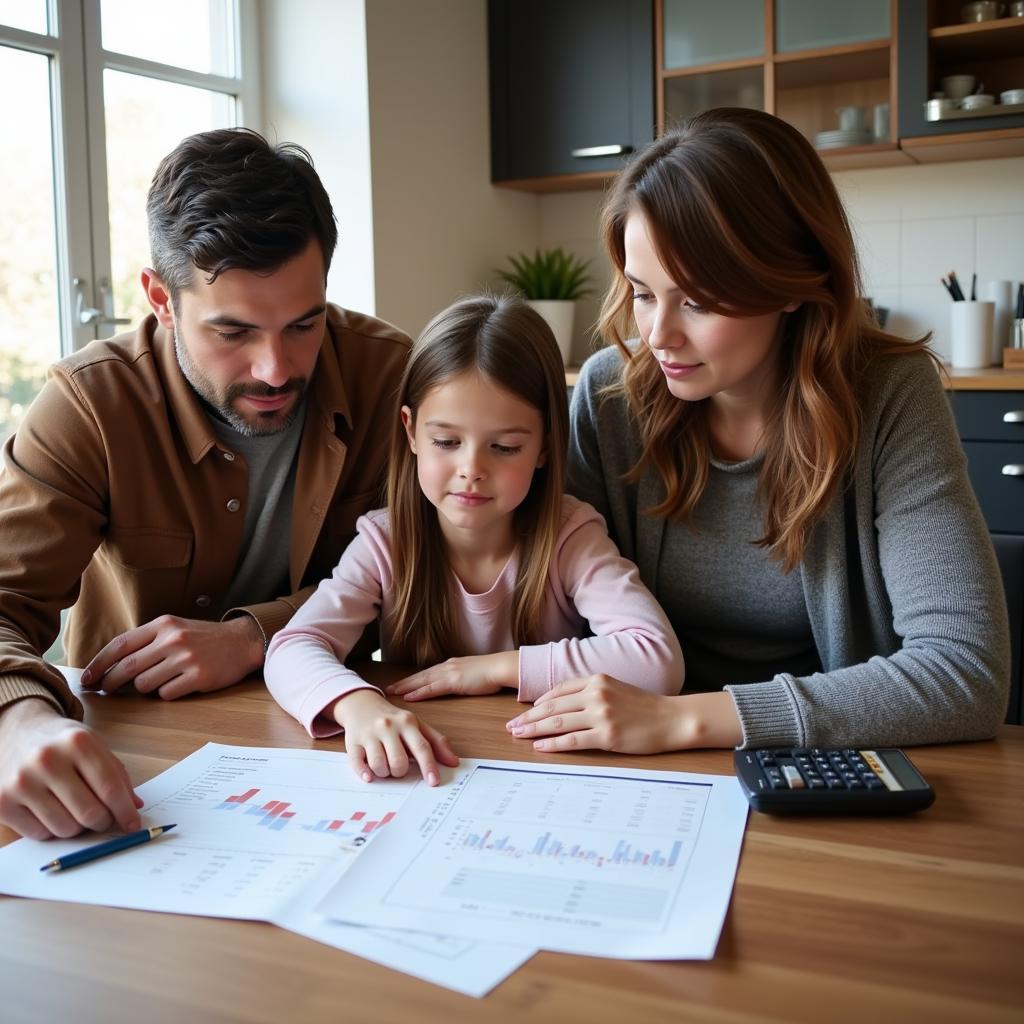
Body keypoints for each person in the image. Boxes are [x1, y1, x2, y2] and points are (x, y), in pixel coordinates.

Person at [505, 108, 1010, 755]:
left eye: (697, 300)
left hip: (819, 764)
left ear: (792, 284)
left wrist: (681, 720)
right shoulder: (611, 397)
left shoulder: (889, 393)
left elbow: (965, 673)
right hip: (643, 764)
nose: (658, 335)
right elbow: (555, 616)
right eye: (642, 292)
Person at [0, 128, 410, 839]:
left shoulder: (393, 378)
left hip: (340, 748)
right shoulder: (89, 404)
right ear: (161, 298)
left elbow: (433, 577)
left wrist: (256, 637)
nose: (276, 368)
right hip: (140, 770)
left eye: (304, 324)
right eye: (233, 333)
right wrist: (16, 721)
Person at [264, 294, 684, 783]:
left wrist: (492, 669)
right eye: (446, 442)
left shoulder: (572, 536)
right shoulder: (385, 541)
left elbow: (657, 660)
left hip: (545, 767)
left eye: (505, 447)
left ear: (546, 445)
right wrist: (355, 705)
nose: (471, 471)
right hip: (431, 772)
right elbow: (294, 646)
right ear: (412, 431)